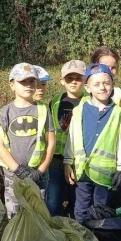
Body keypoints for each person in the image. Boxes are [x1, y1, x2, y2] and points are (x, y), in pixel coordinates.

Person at [63, 64, 121, 223]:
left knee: (101, 209)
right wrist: (67, 162)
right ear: (87, 87)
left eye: (106, 83)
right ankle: (82, 239)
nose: (102, 87)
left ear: (113, 85)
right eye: (97, 84)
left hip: (104, 174)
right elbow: (72, 137)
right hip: (82, 171)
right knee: (81, 208)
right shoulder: (79, 110)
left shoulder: (119, 113)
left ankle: (99, 239)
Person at [0, 63, 56, 218]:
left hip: (38, 176)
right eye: (23, 81)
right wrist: (17, 169)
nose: (28, 85)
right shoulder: (5, 112)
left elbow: (51, 143)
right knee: (15, 216)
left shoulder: (43, 110)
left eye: (32, 81)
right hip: (13, 176)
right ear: (12, 84)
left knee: (38, 215)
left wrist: (40, 171)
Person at [46, 60, 86, 217]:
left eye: (78, 78)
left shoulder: (90, 102)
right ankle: (53, 233)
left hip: (78, 161)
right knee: (53, 201)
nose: (74, 81)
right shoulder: (55, 101)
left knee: (77, 200)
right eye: (69, 78)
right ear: (62, 80)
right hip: (55, 159)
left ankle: (76, 231)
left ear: (85, 80)